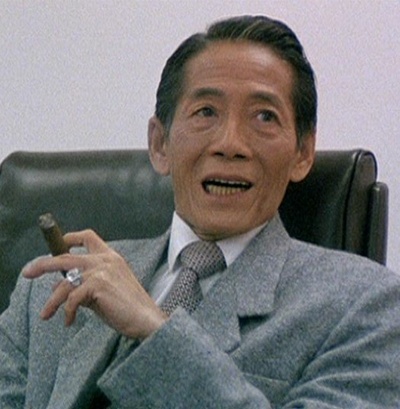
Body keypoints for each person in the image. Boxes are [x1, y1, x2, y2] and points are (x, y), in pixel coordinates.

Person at [1, 15, 399, 408]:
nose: (230, 144)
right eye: (206, 112)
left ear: (303, 153)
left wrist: (155, 330)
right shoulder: (45, 288)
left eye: (265, 116)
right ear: (160, 144)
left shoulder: (365, 306)